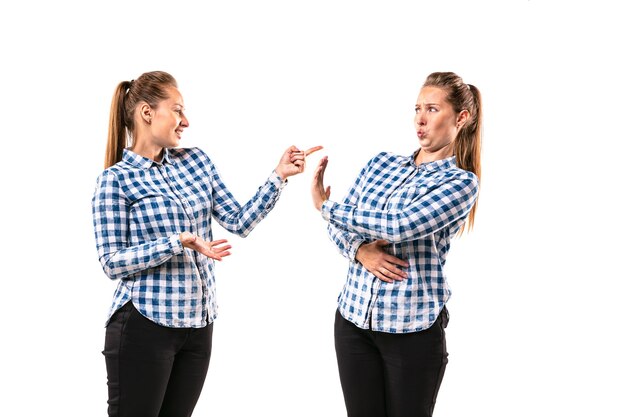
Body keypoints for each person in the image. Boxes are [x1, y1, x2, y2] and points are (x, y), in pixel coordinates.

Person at [92, 70, 321, 417]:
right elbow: (112, 261)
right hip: (143, 326)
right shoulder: (115, 180)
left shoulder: (196, 162)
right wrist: (176, 242)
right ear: (146, 113)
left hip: (198, 327)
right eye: (178, 110)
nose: (186, 121)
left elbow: (239, 222)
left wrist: (279, 176)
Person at [310, 71, 481, 417]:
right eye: (417, 108)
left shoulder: (461, 182)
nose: (420, 118)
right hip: (353, 321)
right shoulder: (381, 164)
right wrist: (360, 251)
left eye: (432, 109)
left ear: (460, 118)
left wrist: (326, 207)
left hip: (411, 330)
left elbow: (401, 225)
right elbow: (340, 228)